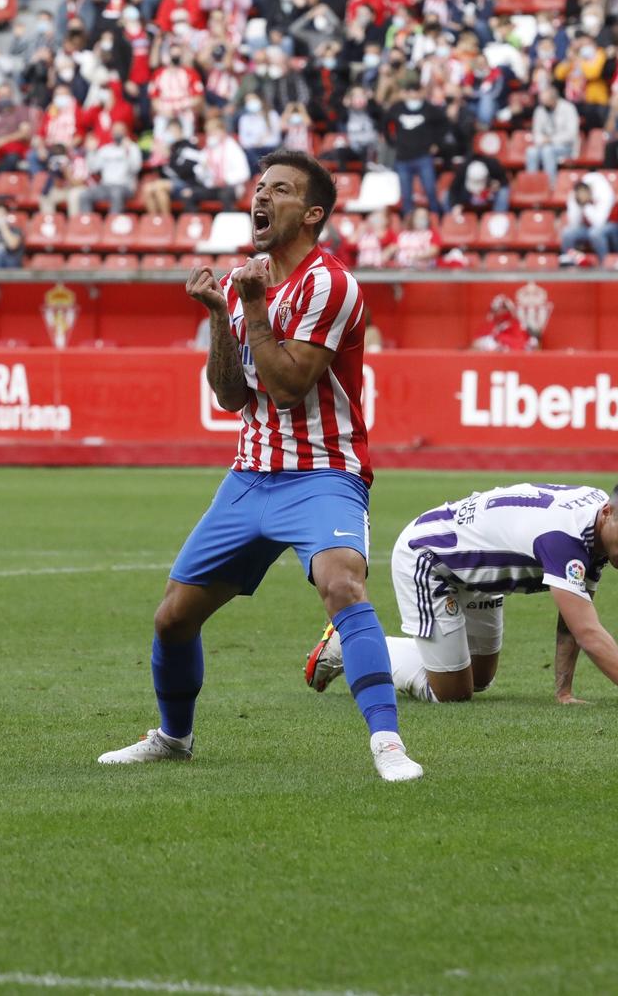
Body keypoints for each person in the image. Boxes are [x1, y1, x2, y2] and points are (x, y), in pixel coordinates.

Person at [99, 150, 420, 782]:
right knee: (173, 616)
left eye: (280, 189)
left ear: (313, 213)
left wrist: (250, 308)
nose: (261, 198)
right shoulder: (247, 279)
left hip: (324, 472)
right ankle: (173, 736)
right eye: (259, 188)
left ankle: (388, 744)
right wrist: (222, 315)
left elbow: (290, 386)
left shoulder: (329, 283)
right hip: (249, 475)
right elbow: (231, 396)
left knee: (341, 584)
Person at [303, 478, 618, 710]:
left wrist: (563, 693)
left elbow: (574, 616)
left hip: (481, 575)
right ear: (607, 514)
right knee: (452, 695)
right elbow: (587, 631)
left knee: (480, 680)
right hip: (432, 558)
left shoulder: (600, 523)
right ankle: (345, 646)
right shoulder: (565, 538)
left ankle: (430, 654)